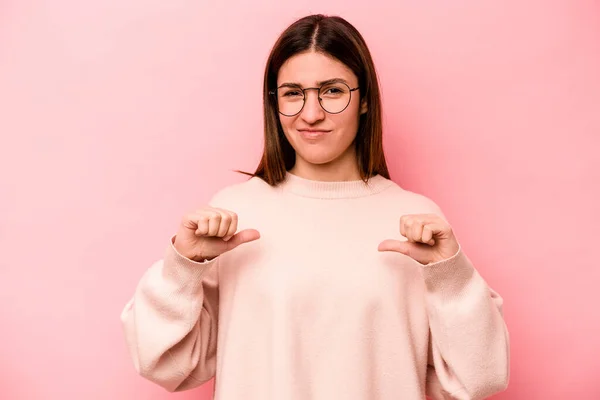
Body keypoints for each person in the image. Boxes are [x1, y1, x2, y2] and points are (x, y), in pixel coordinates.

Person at [120, 14, 509, 400]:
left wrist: (451, 275)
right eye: (292, 93)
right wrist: (182, 267)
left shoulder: (415, 220)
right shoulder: (234, 214)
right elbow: (163, 364)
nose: (311, 114)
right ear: (274, 104)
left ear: (365, 100)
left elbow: (481, 376)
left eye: (332, 91)